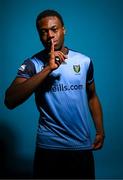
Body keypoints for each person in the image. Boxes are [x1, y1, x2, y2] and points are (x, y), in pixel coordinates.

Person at [4, 9, 105, 179]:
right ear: (39, 35)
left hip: (80, 146)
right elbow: (10, 100)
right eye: (44, 32)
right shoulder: (32, 64)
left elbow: (92, 96)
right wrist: (48, 69)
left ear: (63, 29)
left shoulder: (84, 61)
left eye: (54, 29)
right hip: (49, 147)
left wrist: (100, 131)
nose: (50, 35)